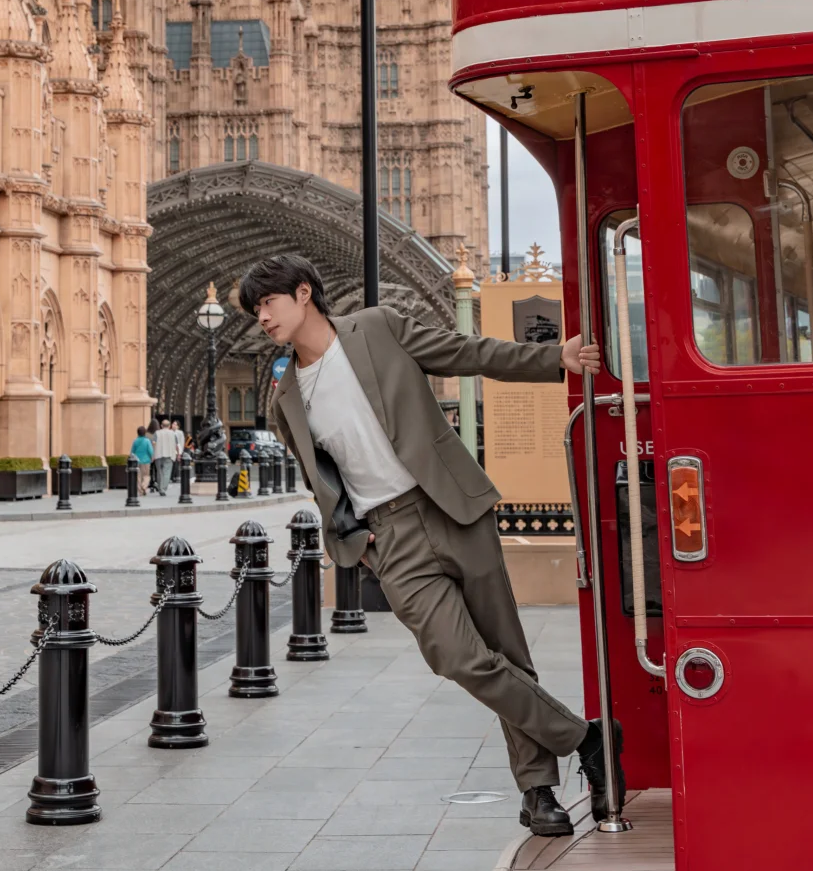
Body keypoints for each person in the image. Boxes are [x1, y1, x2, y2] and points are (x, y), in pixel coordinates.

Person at [239, 253, 623, 838]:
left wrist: (556, 359)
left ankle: (538, 789)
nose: (261, 317)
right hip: (390, 537)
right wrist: (361, 545)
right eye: (254, 310)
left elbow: (468, 353)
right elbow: (322, 482)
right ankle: (588, 738)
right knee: (456, 656)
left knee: (505, 650)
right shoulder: (285, 399)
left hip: (451, 507)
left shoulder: (378, 327)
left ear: (303, 292)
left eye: (268, 302)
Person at [152, 418, 177, 496]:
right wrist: (177, 454)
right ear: (169, 426)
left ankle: (160, 487)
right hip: (169, 455)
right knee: (166, 472)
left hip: (158, 454)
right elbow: (176, 445)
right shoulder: (173, 433)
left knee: (159, 472)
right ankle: (163, 488)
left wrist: (152, 454)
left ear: (161, 425)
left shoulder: (157, 433)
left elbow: (153, 443)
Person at [130, 424, 154, 496]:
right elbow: (150, 451)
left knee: (138, 477)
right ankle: (144, 486)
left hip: (136, 461)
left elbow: (132, 452)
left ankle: (140, 491)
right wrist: (152, 457)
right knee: (146, 476)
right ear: (145, 433)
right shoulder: (147, 441)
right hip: (146, 461)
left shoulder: (135, 441)